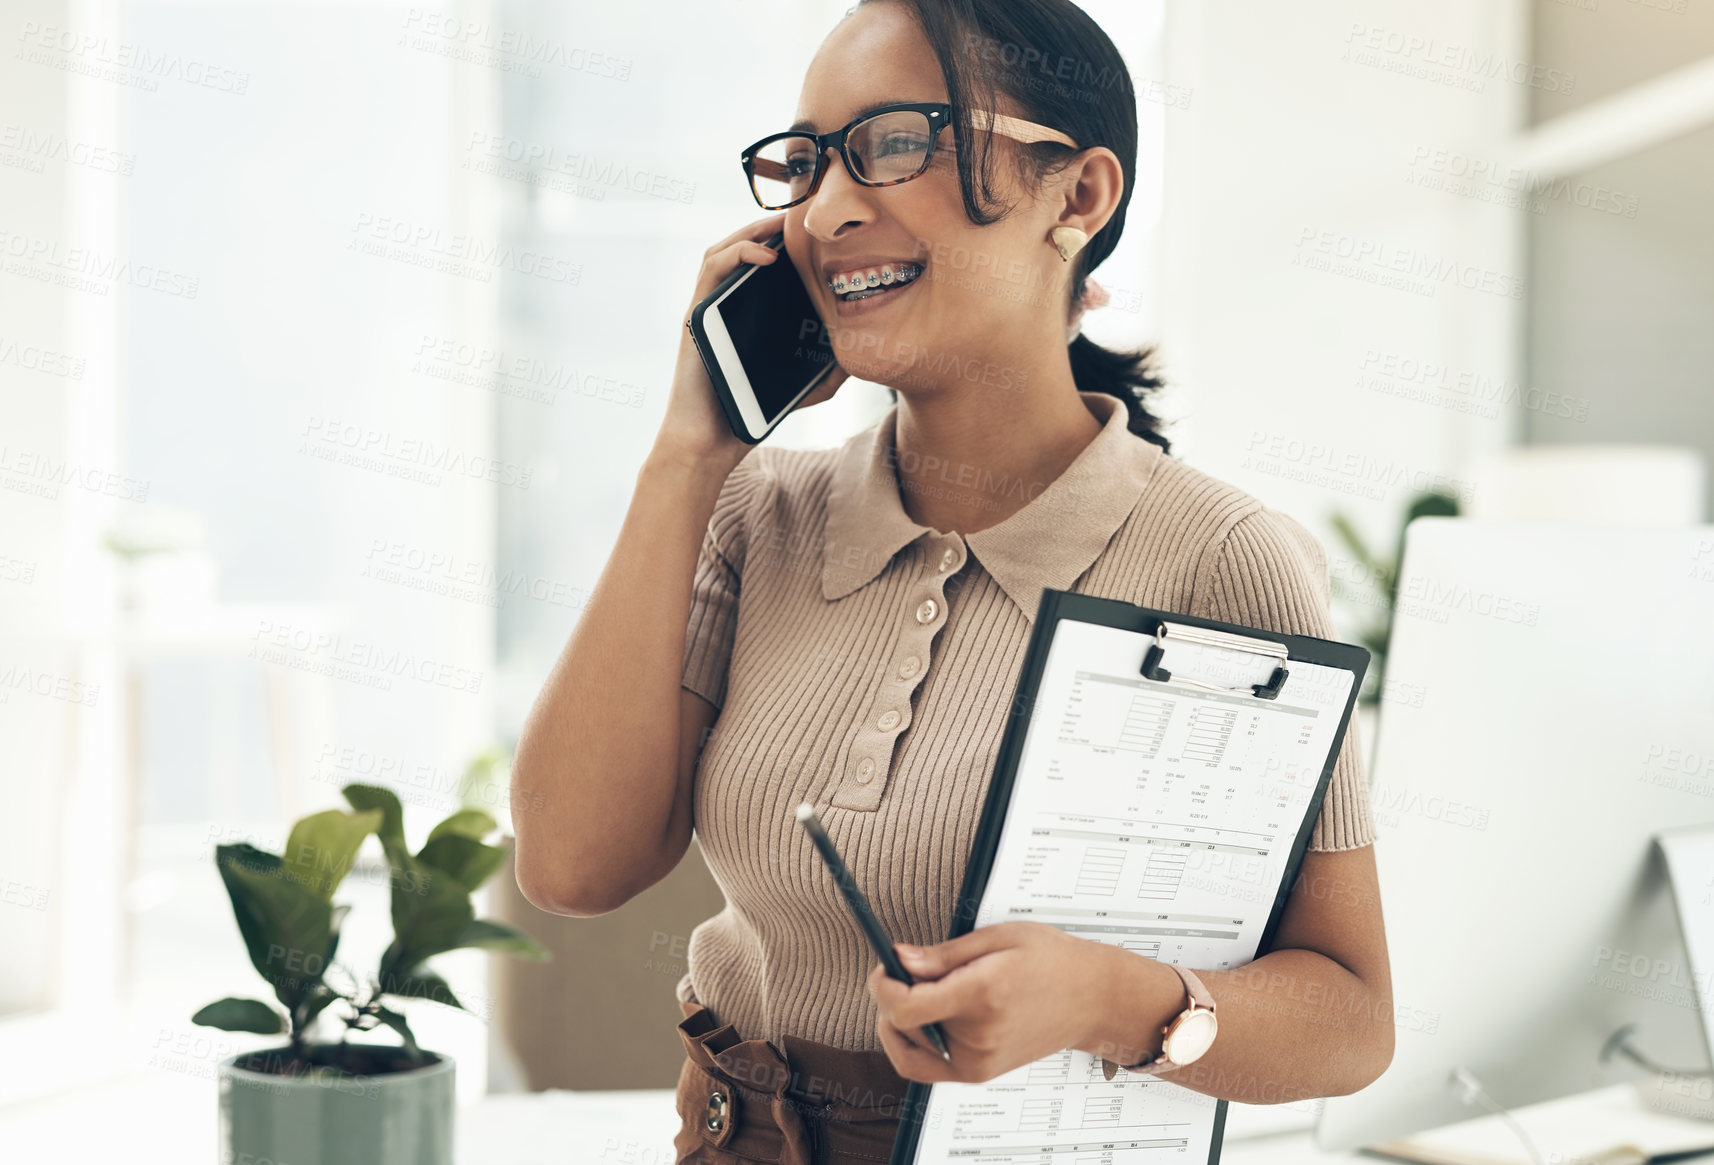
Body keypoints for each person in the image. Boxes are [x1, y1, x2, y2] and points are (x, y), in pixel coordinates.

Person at [511, 1, 1394, 1160]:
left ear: (1076, 196)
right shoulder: (751, 510)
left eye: (891, 142)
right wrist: (689, 452)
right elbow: (573, 865)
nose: (827, 209)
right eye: (806, 162)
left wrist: (1104, 997)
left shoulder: (1218, 558)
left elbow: (1351, 1019)